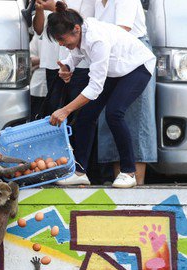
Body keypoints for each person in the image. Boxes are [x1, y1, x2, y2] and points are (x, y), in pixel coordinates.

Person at [47, 2, 156, 188]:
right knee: (86, 115)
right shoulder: (81, 31)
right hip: (116, 70)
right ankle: (80, 172)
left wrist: (65, 110)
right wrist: (67, 66)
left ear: (76, 29)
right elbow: (77, 52)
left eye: (61, 39)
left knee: (114, 113)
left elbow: (95, 88)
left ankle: (128, 172)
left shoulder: (96, 39)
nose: (61, 44)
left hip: (137, 66)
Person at [94, 0, 157, 185]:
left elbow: (122, 30)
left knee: (135, 123)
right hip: (110, 55)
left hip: (133, 54)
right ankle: (119, 183)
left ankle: (136, 189)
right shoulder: (97, 2)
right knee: (111, 120)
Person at [29, 33, 47, 120]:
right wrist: (49, 59)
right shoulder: (39, 35)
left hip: (59, 87)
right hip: (37, 86)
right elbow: (28, 60)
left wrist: (41, 61)